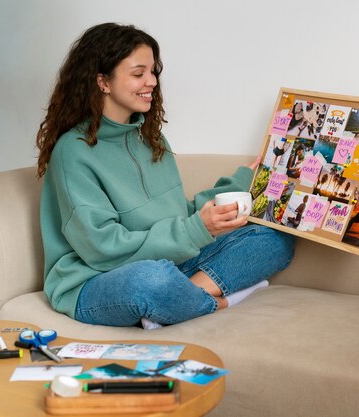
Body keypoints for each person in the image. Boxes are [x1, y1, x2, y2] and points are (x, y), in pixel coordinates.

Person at [35, 23, 296, 328]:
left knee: (277, 235)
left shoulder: (151, 137)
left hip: (172, 264)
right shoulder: (73, 151)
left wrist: (239, 186)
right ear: (103, 81)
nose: (152, 81)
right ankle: (218, 300)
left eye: (153, 71)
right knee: (150, 281)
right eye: (138, 73)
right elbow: (101, 249)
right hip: (98, 280)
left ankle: (179, 300)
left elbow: (178, 213)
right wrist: (195, 231)